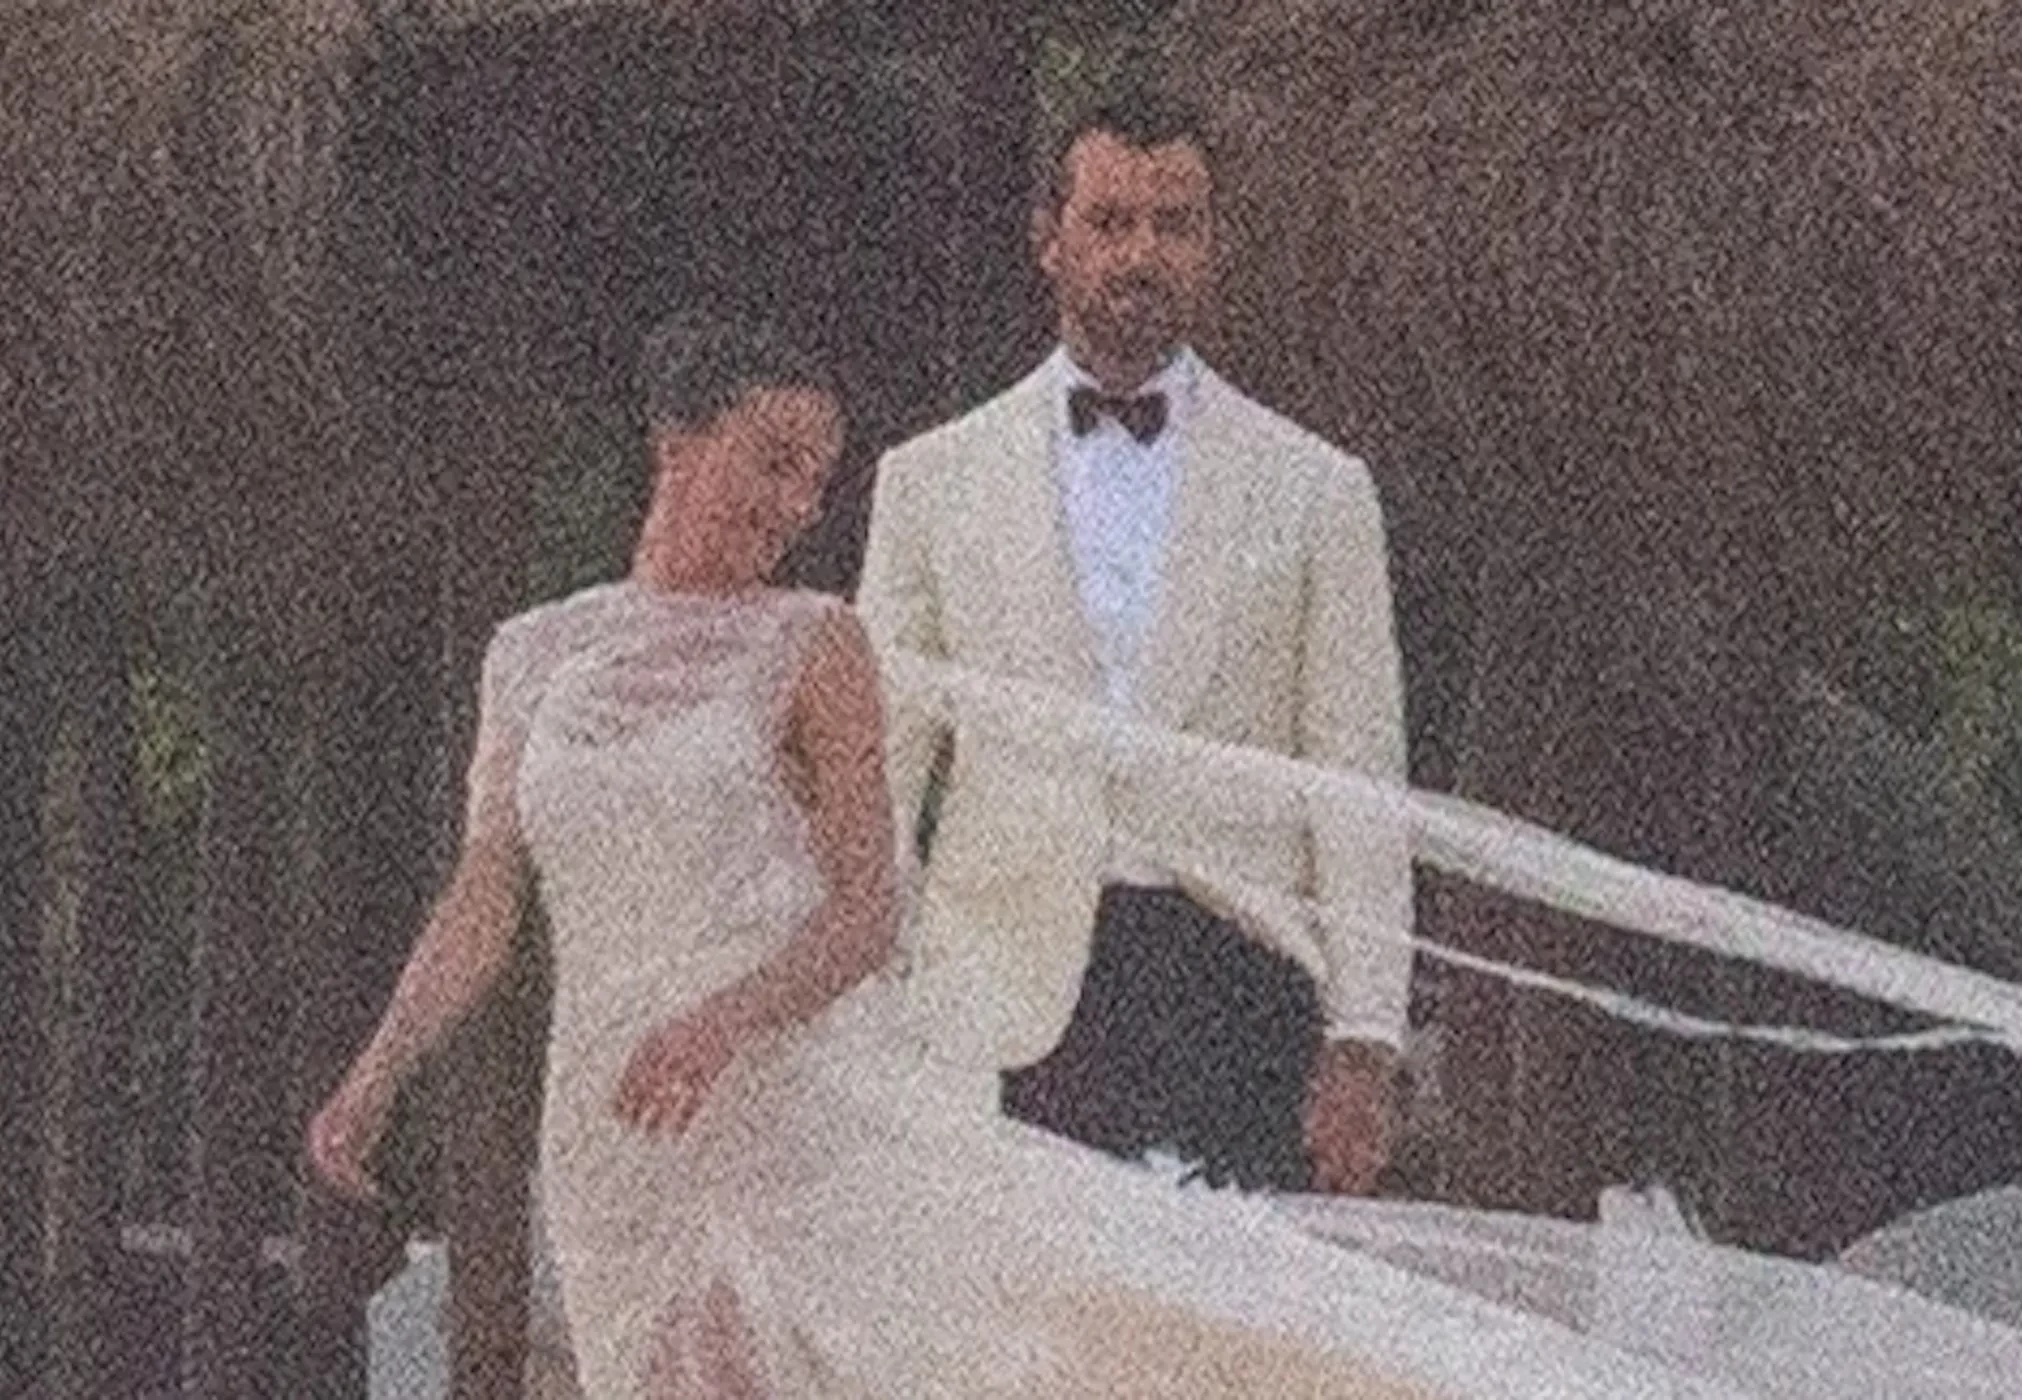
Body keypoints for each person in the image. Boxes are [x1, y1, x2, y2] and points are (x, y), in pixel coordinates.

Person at [306, 314, 1758, 1396]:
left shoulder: (814, 646)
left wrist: (724, 1018)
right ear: (676, 443)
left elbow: (866, 910)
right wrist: (376, 1074)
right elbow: (486, 889)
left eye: (817, 479)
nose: (795, 505)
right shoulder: (533, 653)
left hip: (774, 1101)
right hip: (605, 1120)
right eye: (770, 463)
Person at [857, 88, 1410, 1193]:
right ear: (1048, 239)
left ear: (1214, 246)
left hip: (1238, 987)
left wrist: (1366, 1033)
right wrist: (875, 1000)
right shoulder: (929, 481)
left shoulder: (1319, 489)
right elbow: (879, 767)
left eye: (1175, 224)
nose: (1142, 254)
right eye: (1110, 222)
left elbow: (1358, 780)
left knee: (1228, 1303)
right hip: (999, 995)